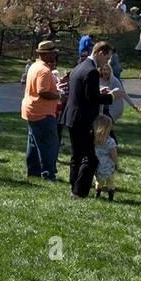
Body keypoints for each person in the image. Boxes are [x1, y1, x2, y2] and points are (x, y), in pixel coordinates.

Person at [64, 41, 112, 199]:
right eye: (106, 58)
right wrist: (110, 97)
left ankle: (73, 186)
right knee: (90, 159)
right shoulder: (91, 71)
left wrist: (98, 91)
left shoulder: (80, 66)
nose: (106, 62)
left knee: (76, 155)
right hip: (82, 119)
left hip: (72, 116)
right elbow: (91, 99)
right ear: (100, 53)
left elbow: (83, 93)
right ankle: (79, 192)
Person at [21, 41, 62, 181]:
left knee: (33, 142)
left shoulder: (34, 66)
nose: (55, 54)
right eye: (53, 52)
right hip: (42, 113)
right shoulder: (44, 70)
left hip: (31, 110)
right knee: (49, 145)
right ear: (46, 54)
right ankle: (48, 174)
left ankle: (33, 171)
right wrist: (59, 95)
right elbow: (43, 92)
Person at [92, 114, 117, 201]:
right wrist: (116, 163)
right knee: (110, 182)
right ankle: (110, 197)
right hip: (109, 166)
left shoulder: (93, 140)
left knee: (99, 181)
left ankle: (97, 194)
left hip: (98, 165)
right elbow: (113, 155)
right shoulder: (110, 141)